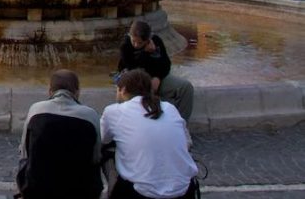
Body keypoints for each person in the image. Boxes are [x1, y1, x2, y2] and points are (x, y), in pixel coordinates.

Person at [101, 69, 198, 199]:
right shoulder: (169, 108)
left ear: (122, 89)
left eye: (117, 89)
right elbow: (187, 143)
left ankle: (109, 191)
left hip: (142, 193)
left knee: (105, 152)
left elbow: (103, 139)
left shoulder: (113, 111)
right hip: (184, 190)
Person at [17, 70, 102, 199]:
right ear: (77, 92)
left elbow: (24, 151)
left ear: (50, 91)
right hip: (79, 190)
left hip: (38, 189)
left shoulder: (36, 110)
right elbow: (96, 157)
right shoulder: (90, 115)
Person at [116, 20, 194, 121]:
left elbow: (166, 65)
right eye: (133, 41)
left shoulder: (156, 41)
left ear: (147, 39)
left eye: (140, 43)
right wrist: (145, 52)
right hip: (136, 80)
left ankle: (181, 123)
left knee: (186, 87)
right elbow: (131, 66)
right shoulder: (126, 45)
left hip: (156, 77)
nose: (135, 45)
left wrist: (157, 77)